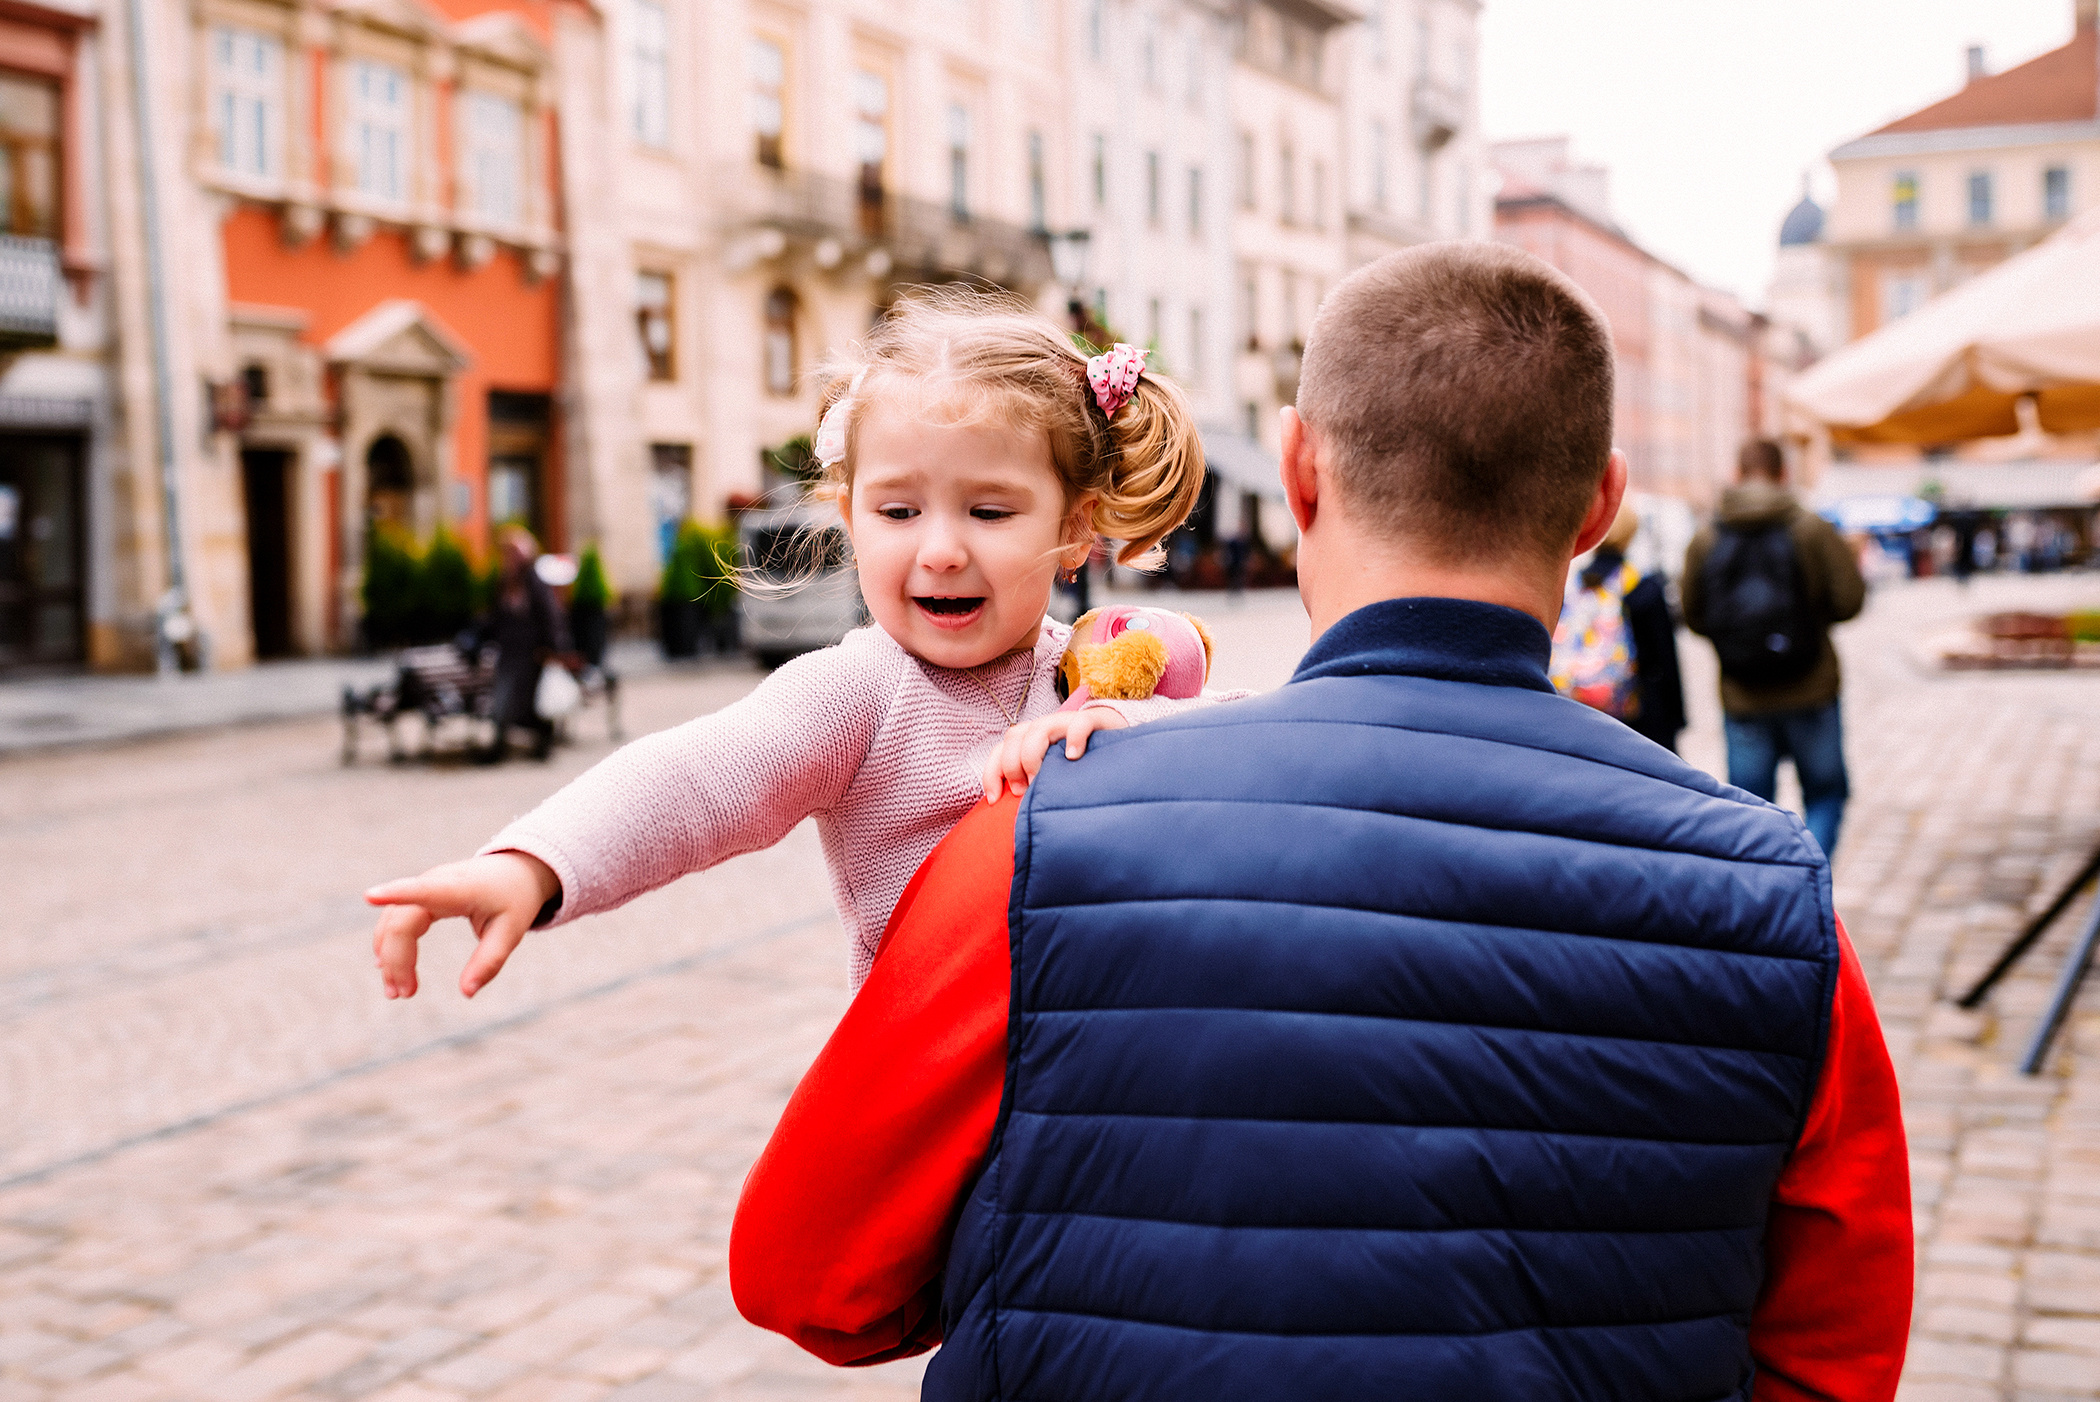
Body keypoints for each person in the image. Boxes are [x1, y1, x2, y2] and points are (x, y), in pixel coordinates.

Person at [731, 244, 1913, 1401]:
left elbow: (805, 1275)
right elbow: (1835, 1352)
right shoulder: (1772, 897)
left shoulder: (1043, 834)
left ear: (1298, 470)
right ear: (1600, 504)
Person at [364, 293, 1243, 1000]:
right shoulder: (861, 693)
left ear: (1075, 525)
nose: (939, 548)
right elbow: (698, 775)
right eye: (898, 511)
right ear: (849, 515)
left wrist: (1131, 726)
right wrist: (533, 866)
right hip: (941, 1119)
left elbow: (1259, 761)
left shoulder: (1099, 667)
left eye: (988, 511)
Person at [1683, 440, 1866, 858]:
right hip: (1812, 689)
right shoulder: (1812, 529)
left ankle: (1766, 898)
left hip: (1743, 694)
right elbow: (1850, 600)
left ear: (1738, 473)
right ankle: (1808, 886)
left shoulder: (1707, 536)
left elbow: (1694, 616)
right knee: (1825, 795)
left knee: (1750, 809)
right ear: (1784, 474)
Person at [1549, 502, 1686, 752]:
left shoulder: (1577, 585)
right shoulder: (1643, 587)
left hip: (1582, 713)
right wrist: (1676, 720)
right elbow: (1665, 659)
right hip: (1639, 718)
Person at [476, 526, 567, 764]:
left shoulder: (534, 581)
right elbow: (495, 617)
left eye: (514, 553)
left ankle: (540, 742)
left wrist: (551, 647)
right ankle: (499, 747)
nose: (509, 558)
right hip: (509, 652)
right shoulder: (505, 582)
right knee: (504, 698)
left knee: (530, 701)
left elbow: (550, 616)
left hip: (531, 653)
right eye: (507, 553)